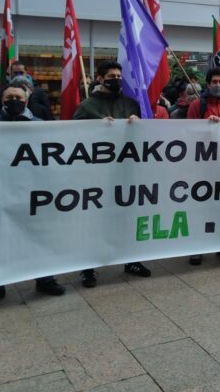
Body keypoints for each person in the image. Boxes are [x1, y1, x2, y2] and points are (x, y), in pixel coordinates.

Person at [0, 85, 66, 307]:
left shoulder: (40, 126)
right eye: (9, 97)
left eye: (18, 97)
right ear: (1, 100)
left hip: (34, 191)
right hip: (0, 192)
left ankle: (45, 279)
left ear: (27, 99)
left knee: (39, 236)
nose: (14, 100)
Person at [73, 61, 151, 286]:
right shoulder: (88, 106)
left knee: (127, 217)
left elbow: (146, 134)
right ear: (99, 78)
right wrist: (97, 127)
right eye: (111, 76)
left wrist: (138, 123)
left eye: (119, 75)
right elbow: (73, 135)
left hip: (125, 170)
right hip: (97, 174)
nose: (116, 79)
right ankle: (88, 268)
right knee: (94, 220)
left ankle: (131, 260)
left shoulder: (130, 103)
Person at [187, 67, 220, 265]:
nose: (218, 85)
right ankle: (197, 247)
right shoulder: (197, 105)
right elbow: (189, 132)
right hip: (203, 164)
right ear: (207, 84)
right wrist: (206, 126)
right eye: (214, 82)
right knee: (201, 206)